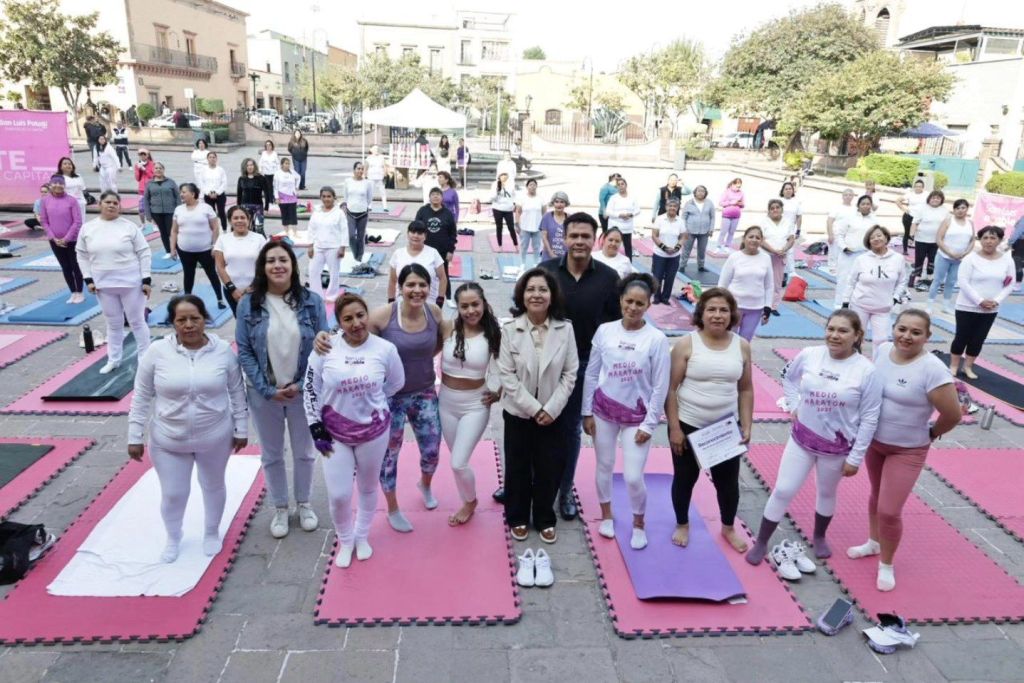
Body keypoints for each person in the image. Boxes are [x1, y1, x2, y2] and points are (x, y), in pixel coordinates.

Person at [745, 310, 882, 572]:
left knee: (827, 492)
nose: (835, 335)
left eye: (843, 330)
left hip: (837, 449)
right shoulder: (809, 354)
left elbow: (870, 417)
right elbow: (788, 377)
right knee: (783, 489)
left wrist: (855, 458)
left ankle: (819, 536)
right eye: (831, 329)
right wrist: (794, 404)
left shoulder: (867, 371)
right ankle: (762, 541)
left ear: (857, 336)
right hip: (801, 440)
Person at [127, 295, 248, 562]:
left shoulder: (223, 352)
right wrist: (134, 435)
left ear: (205, 319)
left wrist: (241, 428)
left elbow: (238, 392)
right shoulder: (156, 353)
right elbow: (141, 395)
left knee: (213, 485)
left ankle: (211, 531)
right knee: (173, 493)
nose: (189, 325)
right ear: (172, 323)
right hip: (169, 439)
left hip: (215, 436)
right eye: (182, 320)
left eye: (195, 318)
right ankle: (173, 536)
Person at [847, 309, 961, 591]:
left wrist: (931, 434)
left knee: (889, 510)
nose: (906, 336)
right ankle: (873, 542)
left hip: (907, 450)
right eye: (902, 329)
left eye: (915, 332)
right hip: (876, 443)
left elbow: (953, 414)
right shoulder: (883, 350)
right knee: (876, 496)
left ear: (927, 337)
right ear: (894, 329)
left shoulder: (933, 369)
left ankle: (886, 563)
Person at [305, 293, 405, 567]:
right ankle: (345, 540)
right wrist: (315, 425)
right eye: (348, 318)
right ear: (338, 323)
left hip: (373, 433)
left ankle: (361, 536)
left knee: (368, 486)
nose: (356, 323)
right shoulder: (325, 348)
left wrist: (374, 403)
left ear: (367, 315)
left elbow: (396, 383)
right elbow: (311, 388)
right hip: (333, 434)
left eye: (360, 315)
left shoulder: (385, 349)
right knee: (339, 495)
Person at [236, 241, 328, 538]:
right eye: (271, 261)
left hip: (303, 393)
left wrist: (301, 385)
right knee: (272, 454)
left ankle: (303, 503)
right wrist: (266, 389)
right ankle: (279, 506)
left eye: (283, 260)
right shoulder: (248, 304)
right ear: (262, 267)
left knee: (304, 452)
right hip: (264, 395)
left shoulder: (312, 302)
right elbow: (245, 350)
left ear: (293, 265)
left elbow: (323, 348)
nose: (278, 265)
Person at [538, 212, 621, 519]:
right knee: (536, 423)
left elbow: (616, 325)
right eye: (574, 236)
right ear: (564, 238)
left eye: (586, 236)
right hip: (545, 361)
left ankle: (564, 490)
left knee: (571, 430)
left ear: (595, 239)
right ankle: (526, 483)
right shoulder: (545, 272)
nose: (579, 242)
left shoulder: (609, 278)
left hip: (585, 365)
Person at [582, 273, 670, 550]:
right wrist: (586, 411)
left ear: (648, 305)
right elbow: (592, 373)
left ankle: (638, 523)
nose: (633, 308)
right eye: (629, 301)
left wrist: (649, 424)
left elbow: (660, 385)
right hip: (603, 411)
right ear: (620, 300)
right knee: (604, 466)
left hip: (637, 418)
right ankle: (606, 515)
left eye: (639, 303)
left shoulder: (656, 339)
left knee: (633, 476)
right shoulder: (605, 331)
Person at [665, 288, 753, 551]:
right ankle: (682, 523)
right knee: (684, 479)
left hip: (725, 429)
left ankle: (728, 527)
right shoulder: (686, 344)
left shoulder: (742, 345)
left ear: (732, 315)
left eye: (724, 310)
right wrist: (674, 428)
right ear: (701, 313)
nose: (717, 315)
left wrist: (747, 424)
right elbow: (669, 389)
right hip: (689, 425)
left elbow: (746, 389)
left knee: (728, 484)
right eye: (711, 309)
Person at [499, 268, 579, 543]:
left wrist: (551, 408)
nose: (536, 294)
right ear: (522, 295)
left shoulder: (565, 328)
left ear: (551, 295)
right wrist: (534, 408)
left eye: (542, 289)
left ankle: (545, 516)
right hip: (519, 412)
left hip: (553, 413)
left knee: (550, 466)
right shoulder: (509, 329)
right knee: (517, 465)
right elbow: (506, 375)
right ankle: (517, 516)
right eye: (530, 289)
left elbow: (570, 373)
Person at [368, 264, 444, 532]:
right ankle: (392, 508)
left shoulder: (434, 312)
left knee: (433, 450)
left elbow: (439, 344)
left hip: (424, 392)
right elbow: (357, 340)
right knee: (389, 456)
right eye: (411, 285)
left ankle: (425, 483)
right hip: (390, 398)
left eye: (422, 285)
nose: (417, 290)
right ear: (400, 287)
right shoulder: (383, 316)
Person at [439, 283, 502, 525]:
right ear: (457, 307)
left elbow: (508, 368)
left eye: (475, 304)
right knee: (457, 461)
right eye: (464, 306)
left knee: (458, 462)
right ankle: (467, 498)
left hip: (475, 405)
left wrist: (499, 393)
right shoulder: (447, 328)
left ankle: (470, 502)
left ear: (483, 303)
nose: (470, 310)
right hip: (446, 402)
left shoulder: (493, 333)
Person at [75, 192, 152, 374]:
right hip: (103, 285)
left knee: (137, 322)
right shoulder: (88, 228)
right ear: (100, 204)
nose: (111, 205)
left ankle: (145, 360)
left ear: (120, 206)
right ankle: (114, 359)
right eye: (108, 202)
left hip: (131, 283)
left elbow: (144, 252)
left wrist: (146, 279)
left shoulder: (129, 227)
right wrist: (88, 279)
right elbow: (82, 255)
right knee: (113, 324)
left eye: (115, 203)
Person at [949, 226, 1015, 378]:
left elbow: (1010, 283)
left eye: (993, 238)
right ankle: (953, 365)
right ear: (980, 240)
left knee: (978, 338)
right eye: (985, 238)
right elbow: (963, 282)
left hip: (991, 308)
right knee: (962, 337)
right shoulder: (970, 258)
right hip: (967, 306)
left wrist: (996, 301)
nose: (989, 241)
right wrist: (979, 301)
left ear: (999, 240)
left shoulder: (1007, 260)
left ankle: (968, 367)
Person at [842, 225, 909, 348]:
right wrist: (845, 302)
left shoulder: (898, 259)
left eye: (879, 235)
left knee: (881, 341)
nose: (876, 239)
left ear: (886, 238)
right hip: (860, 305)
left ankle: (877, 366)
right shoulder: (861, 259)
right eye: (872, 238)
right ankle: (855, 364)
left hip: (883, 308)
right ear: (868, 242)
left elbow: (902, 282)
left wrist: (895, 298)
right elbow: (850, 282)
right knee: (856, 339)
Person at [171, 183, 225, 308]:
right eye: (181, 192)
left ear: (193, 194)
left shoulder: (206, 208)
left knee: (211, 273)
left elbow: (215, 228)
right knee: (188, 275)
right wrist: (173, 248)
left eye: (184, 192)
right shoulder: (178, 210)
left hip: (205, 249)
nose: (181, 194)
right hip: (185, 250)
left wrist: (214, 246)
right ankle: (187, 299)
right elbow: (174, 230)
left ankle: (220, 299)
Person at [718, 226, 773, 341]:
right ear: (744, 239)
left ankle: (742, 359)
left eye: (757, 237)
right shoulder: (734, 257)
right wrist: (720, 305)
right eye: (751, 236)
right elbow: (723, 283)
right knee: (728, 339)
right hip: (734, 306)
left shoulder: (766, 258)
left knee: (745, 341)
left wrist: (767, 307)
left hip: (755, 308)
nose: (754, 240)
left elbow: (769, 286)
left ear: (761, 241)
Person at [214, 206, 267, 316]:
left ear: (249, 220)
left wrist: (252, 287)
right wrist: (232, 289)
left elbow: (264, 266)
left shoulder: (259, 239)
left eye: (243, 217)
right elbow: (220, 266)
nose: (239, 221)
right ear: (230, 221)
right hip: (231, 290)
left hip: (256, 289)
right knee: (240, 320)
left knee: (258, 320)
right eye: (235, 218)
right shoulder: (223, 239)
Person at [39, 175, 84, 303]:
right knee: (65, 266)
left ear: (64, 185)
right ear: (50, 185)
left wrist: (67, 238)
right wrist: (53, 238)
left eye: (60, 183)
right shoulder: (45, 201)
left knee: (75, 266)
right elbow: (44, 221)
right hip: (55, 241)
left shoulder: (72, 201)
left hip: (72, 240)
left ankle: (80, 291)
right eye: (55, 183)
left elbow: (77, 221)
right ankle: (73, 292)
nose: (58, 185)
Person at [928, 199, 976, 313]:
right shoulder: (948, 221)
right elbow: (939, 239)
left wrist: (965, 253)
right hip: (944, 256)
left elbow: (972, 241)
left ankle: (945, 305)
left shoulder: (970, 223)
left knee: (951, 282)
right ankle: (929, 304)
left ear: (967, 209)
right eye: (958, 208)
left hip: (959, 259)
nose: (960, 210)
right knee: (937, 280)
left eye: (963, 208)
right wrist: (950, 252)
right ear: (954, 210)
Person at [387, 220, 447, 306]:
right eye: (413, 232)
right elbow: (392, 281)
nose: (416, 236)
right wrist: (391, 301)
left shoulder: (433, 253)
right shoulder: (398, 254)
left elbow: (443, 279)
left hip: (429, 303)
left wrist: (440, 300)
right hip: (402, 303)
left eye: (419, 233)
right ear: (408, 234)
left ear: (425, 236)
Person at [834, 195, 877, 309]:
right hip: (848, 254)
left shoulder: (874, 220)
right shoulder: (849, 217)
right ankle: (840, 304)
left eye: (868, 204)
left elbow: (877, 236)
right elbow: (839, 234)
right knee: (844, 279)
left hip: (866, 255)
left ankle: (859, 304)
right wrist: (844, 247)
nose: (866, 206)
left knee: (863, 280)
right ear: (858, 205)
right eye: (863, 204)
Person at [306, 187, 346, 302]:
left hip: (334, 247)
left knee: (334, 273)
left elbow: (344, 230)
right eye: (323, 196)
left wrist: (342, 247)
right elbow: (311, 229)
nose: (326, 199)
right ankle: (316, 294)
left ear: (334, 197)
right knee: (313, 271)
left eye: (329, 196)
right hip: (318, 246)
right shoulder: (317, 212)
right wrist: (310, 246)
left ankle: (331, 296)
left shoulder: (339, 213)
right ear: (320, 198)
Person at [760, 199, 795, 315]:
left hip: (780, 256)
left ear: (782, 209)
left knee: (777, 282)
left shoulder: (787, 222)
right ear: (769, 211)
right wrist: (773, 250)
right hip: (766, 255)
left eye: (777, 207)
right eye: (772, 208)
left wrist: (784, 250)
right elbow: (761, 239)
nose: (775, 210)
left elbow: (791, 239)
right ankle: (761, 303)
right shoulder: (764, 222)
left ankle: (773, 306)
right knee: (762, 280)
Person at [650, 198, 686, 304]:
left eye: (675, 206)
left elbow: (683, 236)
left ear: (678, 208)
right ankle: (656, 297)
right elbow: (654, 235)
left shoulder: (681, 221)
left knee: (670, 277)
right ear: (666, 207)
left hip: (674, 255)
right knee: (657, 276)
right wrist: (664, 247)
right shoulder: (659, 219)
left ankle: (665, 298)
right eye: (670, 206)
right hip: (660, 253)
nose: (672, 208)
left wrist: (677, 248)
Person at [909, 190, 947, 288]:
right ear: (929, 198)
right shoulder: (922, 208)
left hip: (936, 241)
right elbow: (915, 223)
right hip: (921, 239)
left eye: (938, 198)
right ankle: (917, 277)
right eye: (933, 197)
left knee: (933, 260)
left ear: (941, 200)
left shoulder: (944, 210)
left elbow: (947, 225)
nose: (935, 200)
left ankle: (930, 277)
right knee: (919, 259)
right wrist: (911, 236)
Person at [144, 162, 180, 256]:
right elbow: (146, 199)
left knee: (171, 231)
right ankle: (168, 251)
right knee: (163, 232)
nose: (158, 170)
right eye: (156, 168)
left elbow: (177, 196)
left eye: (160, 168)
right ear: (153, 170)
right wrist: (148, 214)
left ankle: (177, 250)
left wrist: (179, 210)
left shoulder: (170, 182)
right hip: (156, 212)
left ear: (163, 170)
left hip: (170, 211)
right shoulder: (149, 183)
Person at [342, 162, 374, 264]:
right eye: (358, 169)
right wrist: (346, 206)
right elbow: (345, 196)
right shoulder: (347, 181)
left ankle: (359, 257)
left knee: (361, 237)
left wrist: (365, 206)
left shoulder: (367, 183)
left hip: (362, 213)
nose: (360, 171)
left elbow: (369, 198)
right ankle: (356, 253)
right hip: (350, 212)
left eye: (362, 169)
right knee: (351, 236)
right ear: (354, 170)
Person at [680, 185, 716, 272]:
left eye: (703, 191)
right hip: (690, 231)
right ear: (695, 192)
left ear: (705, 193)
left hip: (705, 231)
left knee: (702, 250)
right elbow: (683, 217)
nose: (700, 192)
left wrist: (711, 229)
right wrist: (684, 230)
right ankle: (682, 265)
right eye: (699, 191)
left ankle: (701, 266)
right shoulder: (689, 203)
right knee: (686, 249)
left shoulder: (709, 203)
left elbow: (712, 217)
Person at [604, 176, 640, 260]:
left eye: (622, 184)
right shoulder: (613, 198)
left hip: (627, 228)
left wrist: (630, 215)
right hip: (615, 227)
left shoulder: (632, 197)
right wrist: (620, 215)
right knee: (612, 246)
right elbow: (608, 212)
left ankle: (629, 265)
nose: (621, 186)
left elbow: (637, 210)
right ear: (617, 187)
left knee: (628, 247)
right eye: (618, 185)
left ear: (626, 185)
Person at [515, 178, 544, 269]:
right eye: (530, 185)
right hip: (525, 227)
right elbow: (518, 212)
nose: (532, 187)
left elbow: (544, 213)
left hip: (537, 227)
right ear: (527, 187)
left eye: (534, 185)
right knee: (524, 247)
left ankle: (536, 263)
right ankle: (522, 263)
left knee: (536, 247)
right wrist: (517, 224)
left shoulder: (540, 199)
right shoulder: (522, 198)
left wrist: (544, 226)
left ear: (536, 186)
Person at [826, 189, 857, 272]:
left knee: (846, 251)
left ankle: (844, 267)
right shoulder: (836, 207)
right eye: (846, 195)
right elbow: (829, 221)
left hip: (849, 234)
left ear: (853, 196)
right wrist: (830, 234)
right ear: (843, 196)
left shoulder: (855, 209)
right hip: (837, 233)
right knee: (834, 252)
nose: (848, 197)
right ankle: (832, 267)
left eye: (850, 195)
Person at [896, 178, 927, 254]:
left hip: (920, 217)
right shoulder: (910, 194)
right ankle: (905, 250)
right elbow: (897, 201)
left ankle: (921, 252)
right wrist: (903, 208)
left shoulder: (926, 194)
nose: (918, 188)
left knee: (920, 235)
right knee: (907, 233)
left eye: (920, 186)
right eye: (916, 186)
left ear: (923, 187)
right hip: (909, 216)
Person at [199, 151, 228, 231]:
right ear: (207, 159)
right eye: (210, 157)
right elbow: (201, 183)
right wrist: (208, 192)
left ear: (216, 158)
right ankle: (213, 230)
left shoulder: (220, 170)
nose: (212, 159)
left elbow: (224, 182)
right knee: (211, 214)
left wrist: (217, 192)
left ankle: (224, 229)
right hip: (208, 195)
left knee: (222, 213)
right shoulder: (203, 170)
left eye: (214, 157)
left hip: (219, 194)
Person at [779, 182, 803, 278]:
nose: (788, 190)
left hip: (790, 230)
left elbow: (799, 216)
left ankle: (791, 271)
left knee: (790, 250)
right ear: (783, 191)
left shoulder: (796, 202)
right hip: (779, 228)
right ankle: (779, 269)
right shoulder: (779, 201)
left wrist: (798, 230)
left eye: (790, 189)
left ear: (793, 191)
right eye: (786, 189)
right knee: (779, 248)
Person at [236, 158, 265, 234]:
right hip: (245, 206)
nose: (250, 167)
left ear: (254, 166)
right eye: (248, 165)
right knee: (247, 227)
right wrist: (238, 207)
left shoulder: (261, 178)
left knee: (259, 227)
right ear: (245, 167)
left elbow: (267, 193)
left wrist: (267, 206)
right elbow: (239, 194)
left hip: (258, 206)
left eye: (251, 165)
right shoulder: (241, 179)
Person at [716, 178, 745, 251]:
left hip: (736, 215)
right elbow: (721, 203)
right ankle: (719, 246)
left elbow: (743, 204)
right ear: (733, 184)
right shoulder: (727, 192)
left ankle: (727, 246)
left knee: (732, 232)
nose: (738, 188)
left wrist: (740, 203)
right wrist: (731, 202)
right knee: (723, 231)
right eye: (737, 186)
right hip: (726, 215)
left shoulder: (741, 193)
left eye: (739, 186)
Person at [274, 157, 301, 235]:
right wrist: (276, 197)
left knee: (293, 214)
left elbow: (299, 177)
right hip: (282, 196)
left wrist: (297, 187)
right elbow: (275, 186)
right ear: (282, 164)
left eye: (288, 163)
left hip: (292, 196)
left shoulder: (292, 172)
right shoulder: (277, 173)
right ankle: (286, 231)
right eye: (286, 163)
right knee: (285, 214)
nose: (287, 165)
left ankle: (295, 232)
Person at [540, 192, 569, 260]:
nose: (559, 205)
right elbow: (544, 237)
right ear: (553, 203)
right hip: (548, 256)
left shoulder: (570, 218)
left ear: (566, 204)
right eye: (556, 202)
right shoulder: (546, 217)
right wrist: (551, 253)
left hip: (565, 256)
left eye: (562, 202)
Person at [491, 172, 518, 248]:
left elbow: (514, 195)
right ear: (499, 176)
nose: (504, 177)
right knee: (499, 227)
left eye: (505, 176)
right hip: (497, 208)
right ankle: (500, 246)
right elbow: (492, 198)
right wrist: (498, 191)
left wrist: (514, 204)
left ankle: (516, 245)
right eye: (502, 176)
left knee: (511, 227)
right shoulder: (495, 184)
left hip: (508, 209)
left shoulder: (511, 184)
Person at [365, 145, 389, 210]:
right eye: (375, 149)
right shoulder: (369, 158)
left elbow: (384, 166)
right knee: (371, 193)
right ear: (372, 151)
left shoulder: (381, 157)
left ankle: (385, 207)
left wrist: (385, 174)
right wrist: (365, 176)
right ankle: (369, 206)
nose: (376, 151)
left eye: (377, 149)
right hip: (371, 177)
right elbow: (366, 167)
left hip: (380, 177)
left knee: (383, 192)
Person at [258, 140, 279, 211]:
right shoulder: (263, 153)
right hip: (265, 174)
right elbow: (260, 163)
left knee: (272, 188)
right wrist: (260, 171)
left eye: (269, 145)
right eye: (267, 145)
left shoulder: (275, 154)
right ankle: (267, 204)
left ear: (272, 146)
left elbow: (278, 164)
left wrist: (277, 172)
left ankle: (272, 201)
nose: (268, 146)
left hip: (273, 174)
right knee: (266, 189)